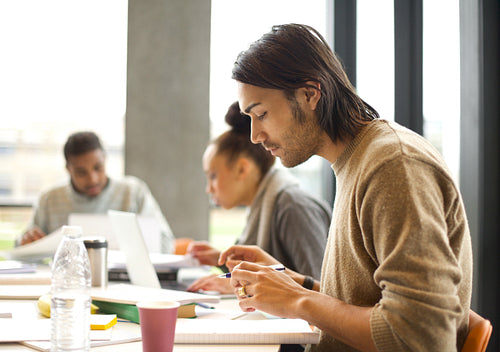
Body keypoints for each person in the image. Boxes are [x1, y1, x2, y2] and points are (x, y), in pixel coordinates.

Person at [217, 24, 473, 352]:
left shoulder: (394, 165)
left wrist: (298, 300)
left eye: (262, 114)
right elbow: (367, 302)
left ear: (310, 94)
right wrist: (296, 284)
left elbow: (420, 335)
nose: (254, 136)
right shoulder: (357, 162)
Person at [186, 101, 331, 294]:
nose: (208, 189)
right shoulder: (261, 206)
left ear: (242, 169)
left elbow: (322, 291)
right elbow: (266, 269)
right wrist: (220, 260)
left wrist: (242, 288)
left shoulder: (292, 206)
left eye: (213, 176)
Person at [18, 131, 175, 254]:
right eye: (81, 172)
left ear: (105, 159)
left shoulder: (133, 192)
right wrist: (26, 242)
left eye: (98, 168)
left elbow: (166, 245)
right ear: (68, 169)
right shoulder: (49, 200)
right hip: (69, 284)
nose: (92, 179)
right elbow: (22, 248)